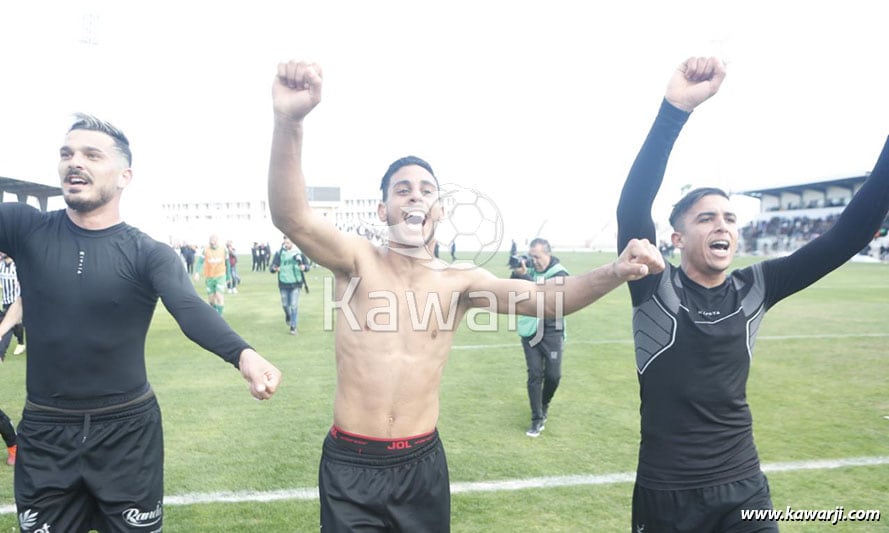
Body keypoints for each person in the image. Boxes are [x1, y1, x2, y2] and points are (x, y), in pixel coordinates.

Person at [268, 59, 665, 532]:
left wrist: (615, 270)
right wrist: (289, 122)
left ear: (441, 208)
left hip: (421, 465)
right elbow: (293, 217)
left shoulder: (461, 281)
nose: (415, 197)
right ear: (382, 209)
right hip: (351, 464)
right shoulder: (356, 260)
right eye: (402, 190)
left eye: (426, 190)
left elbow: (546, 299)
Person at [616, 57, 889, 532]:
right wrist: (674, 109)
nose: (722, 225)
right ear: (676, 239)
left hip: (743, 487)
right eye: (706, 218)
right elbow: (633, 206)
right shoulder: (653, 282)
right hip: (667, 494)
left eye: (729, 218)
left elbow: (851, 233)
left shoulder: (757, 286)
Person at [0, 113, 282, 532]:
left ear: (124, 175)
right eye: (67, 153)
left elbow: (189, 308)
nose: (74, 162)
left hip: (126, 432)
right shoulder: (23, 226)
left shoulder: (148, 253)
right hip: (45, 431)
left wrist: (244, 355)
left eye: (92, 155)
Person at [509, 238, 568, 437]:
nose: (534, 261)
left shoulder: (560, 273)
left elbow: (545, 295)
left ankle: (544, 404)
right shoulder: (530, 271)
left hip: (552, 331)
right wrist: (516, 273)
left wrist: (526, 278)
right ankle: (536, 418)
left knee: (553, 375)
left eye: (537, 257)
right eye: (531, 256)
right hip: (530, 330)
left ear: (548, 254)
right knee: (535, 374)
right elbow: (514, 289)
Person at [269, 236, 307, 334]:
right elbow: (272, 267)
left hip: (296, 283)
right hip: (283, 283)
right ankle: (288, 315)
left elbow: (307, 266)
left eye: (288, 243)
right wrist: (275, 269)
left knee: (294, 304)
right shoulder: (279, 253)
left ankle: (293, 327)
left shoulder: (299, 252)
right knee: (285, 304)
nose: (286, 245)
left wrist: (304, 267)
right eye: (285, 243)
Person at [194, 234, 228, 314]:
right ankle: (214, 314)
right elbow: (200, 261)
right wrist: (197, 273)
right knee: (211, 300)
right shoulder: (206, 250)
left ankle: (219, 317)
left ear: (217, 242)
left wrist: (228, 277)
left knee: (219, 296)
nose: (212, 244)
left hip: (220, 275)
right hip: (209, 276)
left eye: (214, 243)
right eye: (211, 243)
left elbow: (228, 263)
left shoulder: (223, 249)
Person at [0, 252, 25, 358]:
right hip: (6, 299)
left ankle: (1, 354)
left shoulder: (17, 265)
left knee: (9, 326)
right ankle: (21, 343)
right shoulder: (1, 265)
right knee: (15, 324)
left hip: (16, 301)